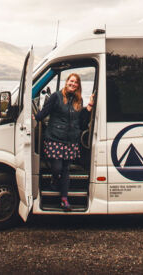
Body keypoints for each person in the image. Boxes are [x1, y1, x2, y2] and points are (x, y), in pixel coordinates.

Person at [34, 73, 94, 211]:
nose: (73, 84)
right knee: (57, 168)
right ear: (67, 82)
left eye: (76, 82)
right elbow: (44, 112)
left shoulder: (79, 101)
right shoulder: (56, 96)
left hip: (71, 140)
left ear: (78, 85)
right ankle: (55, 180)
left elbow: (81, 121)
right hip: (55, 138)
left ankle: (64, 200)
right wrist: (33, 117)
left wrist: (90, 105)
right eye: (71, 81)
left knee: (66, 169)